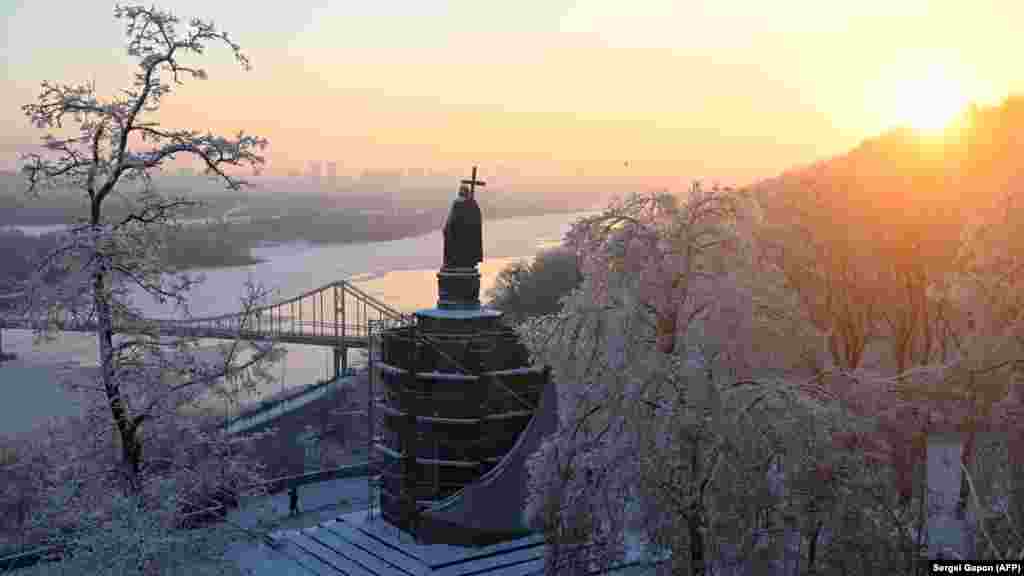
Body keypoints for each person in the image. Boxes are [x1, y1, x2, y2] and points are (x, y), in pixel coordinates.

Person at [442, 184, 483, 269]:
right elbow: (477, 221)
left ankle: (454, 261)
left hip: (458, 237)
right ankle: (467, 261)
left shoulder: (458, 203)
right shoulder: (473, 204)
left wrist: (446, 229)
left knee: (450, 236)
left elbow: (452, 220)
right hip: (468, 240)